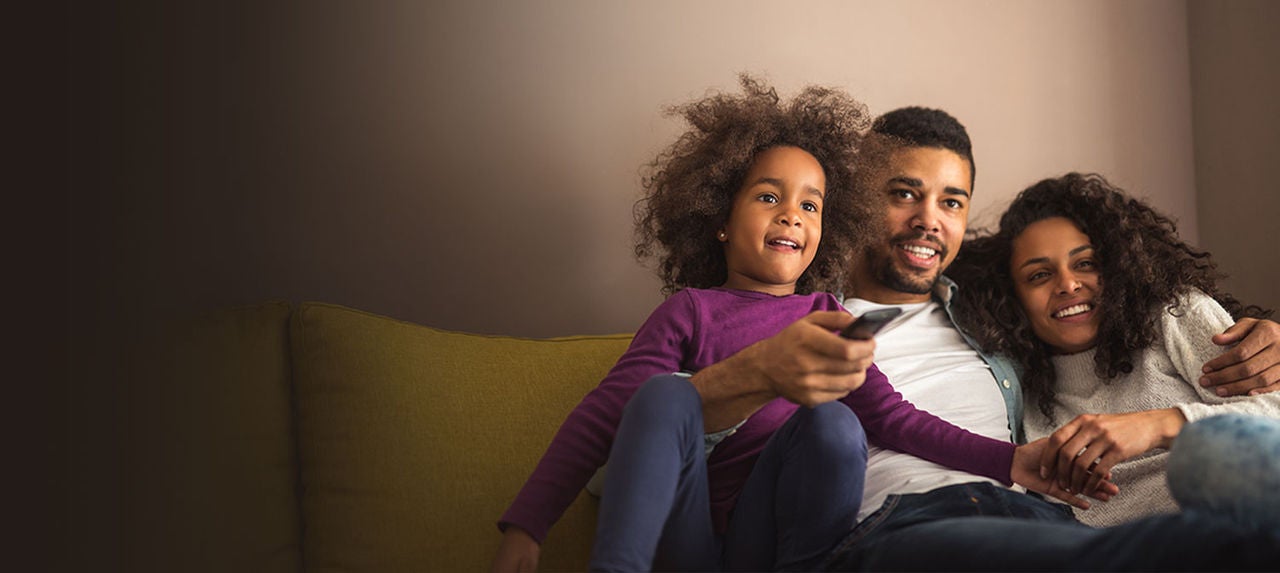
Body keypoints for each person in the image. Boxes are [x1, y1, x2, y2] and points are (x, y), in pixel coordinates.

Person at [491, 79, 1092, 573]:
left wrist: (1009, 461)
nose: (790, 214)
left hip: (779, 544)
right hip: (690, 540)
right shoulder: (689, 312)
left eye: (810, 205)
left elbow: (895, 420)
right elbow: (606, 417)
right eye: (767, 197)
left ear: (826, 229)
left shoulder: (827, 317)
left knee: (833, 418)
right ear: (719, 217)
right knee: (663, 395)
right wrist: (527, 525)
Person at [687, 105, 1280, 571]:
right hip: (900, 527)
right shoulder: (788, 316)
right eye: (903, 193)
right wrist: (756, 375)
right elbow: (663, 439)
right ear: (851, 201)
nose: (929, 218)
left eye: (952, 201)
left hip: (1031, 518)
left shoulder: (996, 317)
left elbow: (1101, 310)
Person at [946, 172, 1280, 527]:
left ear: (1118, 265)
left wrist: (1160, 425)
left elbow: (1273, 412)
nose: (1068, 284)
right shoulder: (1017, 389)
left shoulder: (1174, 314)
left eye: (1085, 264)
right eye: (1039, 275)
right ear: (1012, 298)